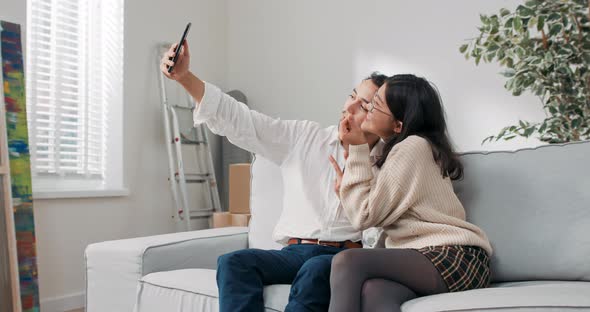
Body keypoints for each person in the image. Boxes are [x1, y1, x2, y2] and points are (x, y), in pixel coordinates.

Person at [160, 41, 387, 311]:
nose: (348, 108)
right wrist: (185, 78)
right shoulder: (304, 137)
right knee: (232, 262)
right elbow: (241, 120)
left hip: (346, 256)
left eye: (363, 105)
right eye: (351, 96)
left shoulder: (388, 164)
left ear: (382, 119)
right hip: (293, 252)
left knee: (316, 269)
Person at [328, 74, 493, 312]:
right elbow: (368, 213)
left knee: (346, 261)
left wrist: (356, 148)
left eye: (376, 105)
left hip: (455, 256)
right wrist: (348, 187)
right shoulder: (398, 152)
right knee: (374, 291)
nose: (368, 108)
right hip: (430, 256)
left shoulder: (412, 147)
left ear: (398, 125)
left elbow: (363, 216)